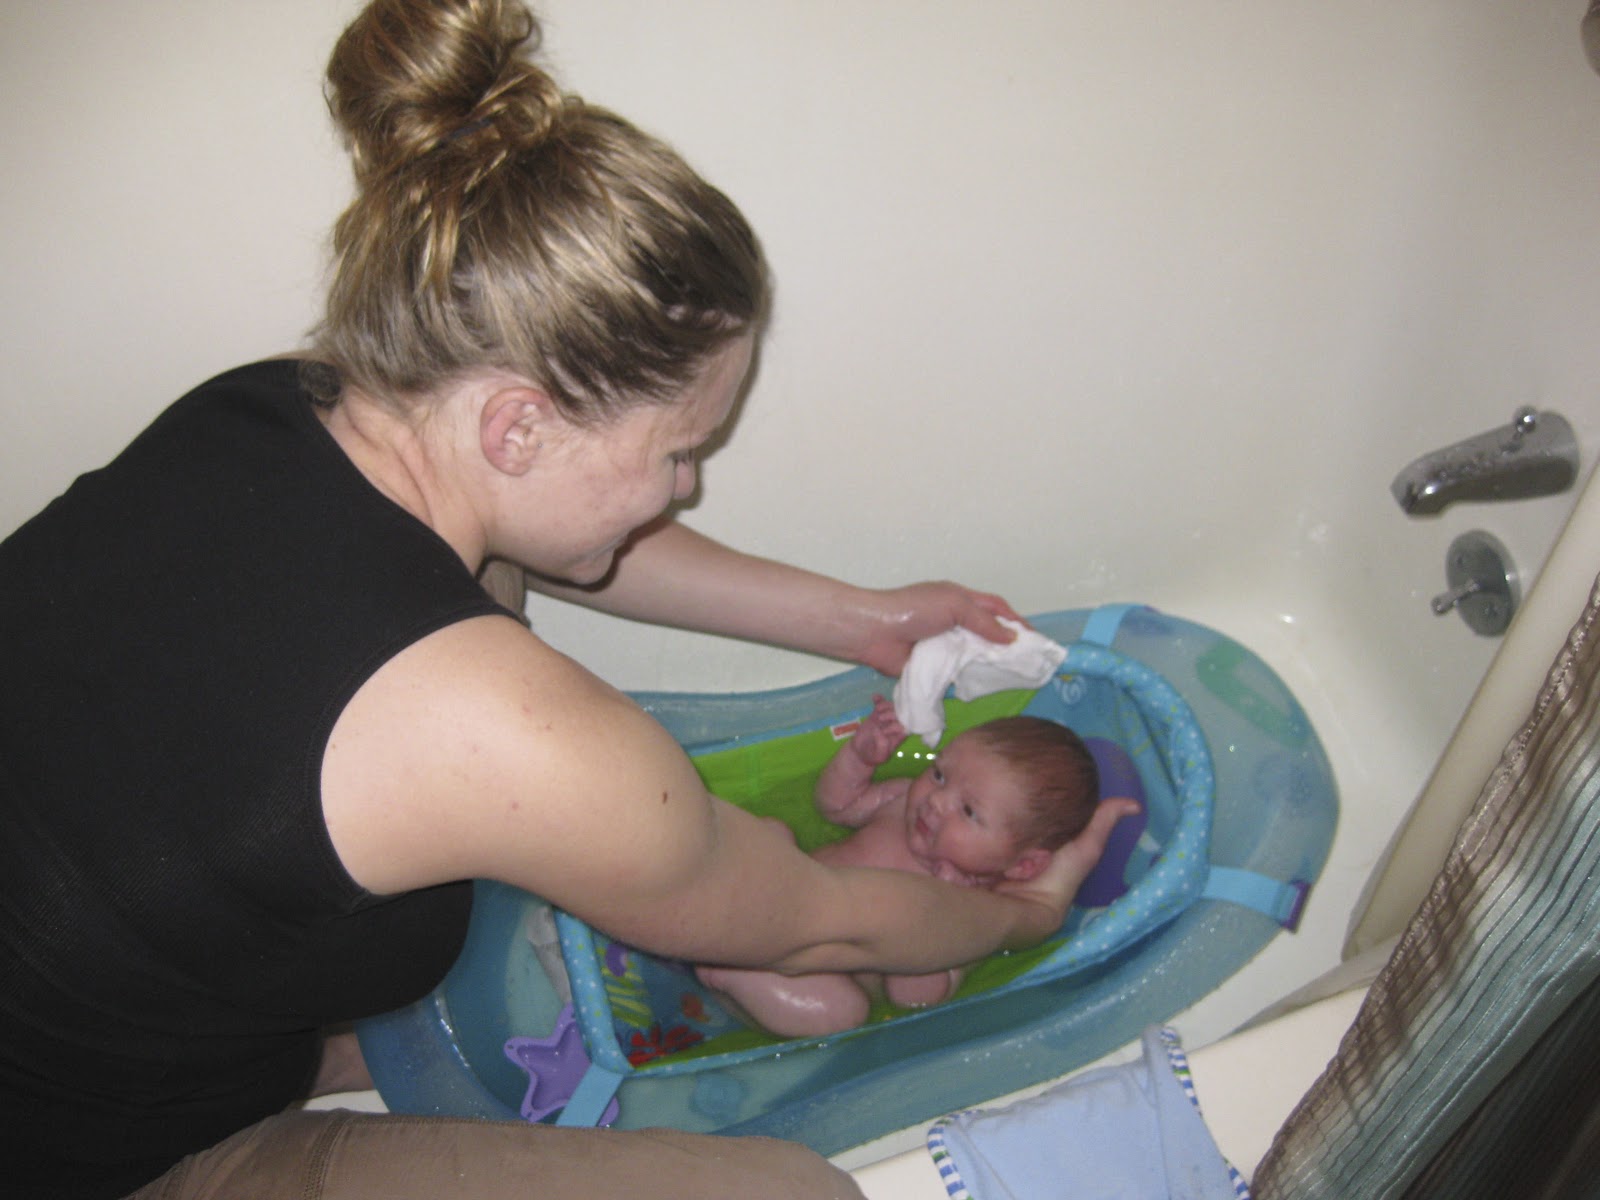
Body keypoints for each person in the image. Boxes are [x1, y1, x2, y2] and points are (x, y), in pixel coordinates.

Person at [0, 2, 1131, 1197]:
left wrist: (853, 619)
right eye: (680, 451)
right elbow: (826, 926)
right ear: (521, 424)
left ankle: (328, 1048)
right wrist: (1019, 922)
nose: (688, 485)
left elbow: (543, 534)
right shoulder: (524, 743)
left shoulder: (284, 403)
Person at [697, 698, 1130, 1038]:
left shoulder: (977, 911)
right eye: (941, 774)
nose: (936, 800)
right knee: (771, 831)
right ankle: (710, 889)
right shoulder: (902, 798)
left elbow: (913, 998)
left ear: (1022, 864)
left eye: (968, 810)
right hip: (780, 889)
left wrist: (945, 910)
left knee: (841, 1013)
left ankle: (732, 969)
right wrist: (859, 758)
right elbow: (836, 806)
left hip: (807, 969)